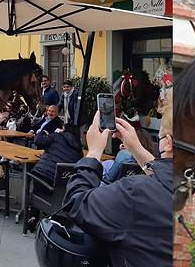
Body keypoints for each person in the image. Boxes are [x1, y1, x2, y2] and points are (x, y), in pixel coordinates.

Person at [62, 89, 173, 267]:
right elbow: (166, 180)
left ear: (168, 142)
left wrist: (94, 153)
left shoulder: (134, 193)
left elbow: (76, 203)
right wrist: (137, 149)